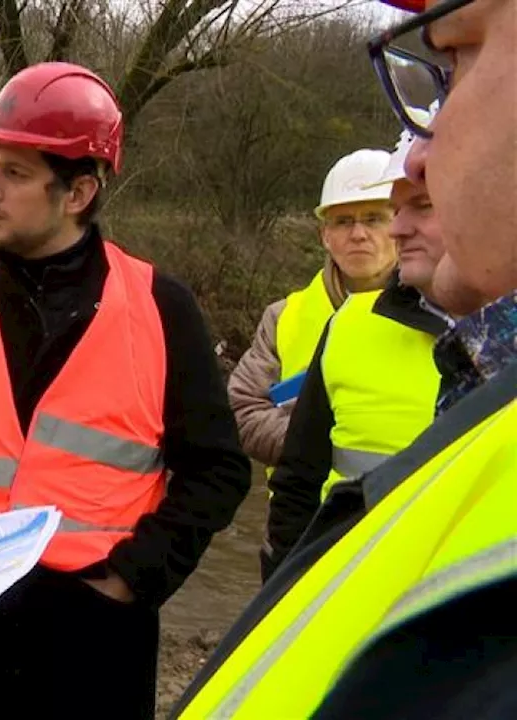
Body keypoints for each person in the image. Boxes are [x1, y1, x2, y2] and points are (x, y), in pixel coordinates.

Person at [0, 61, 251, 719]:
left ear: (77, 193)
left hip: (96, 648)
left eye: (14, 174)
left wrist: (134, 579)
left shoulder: (162, 306)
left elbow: (216, 470)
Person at [172, 0, 517, 716]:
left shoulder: (478, 342)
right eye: (350, 221)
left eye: (455, 60)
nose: (381, 229)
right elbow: (265, 439)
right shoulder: (305, 318)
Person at [261, 117, 453, 581]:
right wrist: (282, 593)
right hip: (343, 579)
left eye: (421, 207)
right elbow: (296, 482)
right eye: (344, 221)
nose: (394, 229)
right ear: (325, 234)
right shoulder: (336, 322)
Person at [227, 150, 396, 469]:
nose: (358, 234)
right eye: (343, 222)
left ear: (400, 226)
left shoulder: (440, 312)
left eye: (374, 218)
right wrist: (314, 442)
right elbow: (244, 410)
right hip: (303, 515)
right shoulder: (284, 318)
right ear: (325, 236)